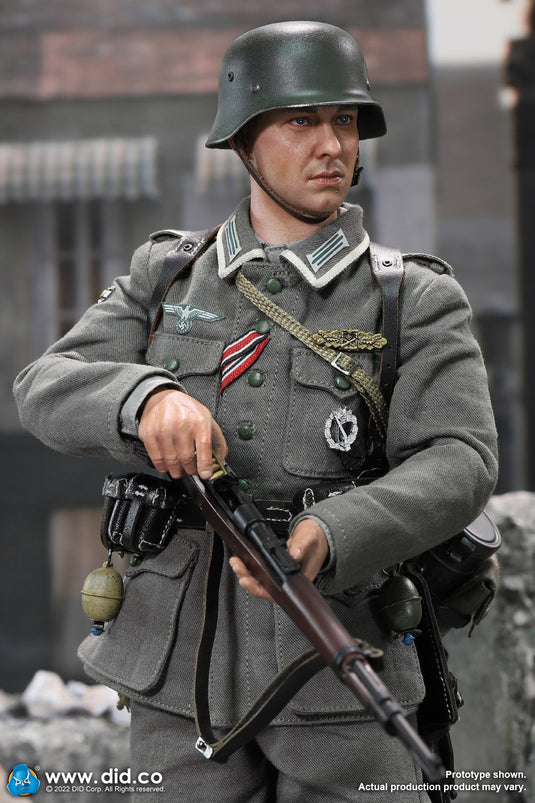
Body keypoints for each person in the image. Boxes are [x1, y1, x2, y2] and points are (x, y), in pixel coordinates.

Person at [14, 21, 498, 803]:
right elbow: (45, 384)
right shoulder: (169, 275)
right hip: (178, 673)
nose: (331, 145)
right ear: (244, 141)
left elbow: (460, 457)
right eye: (301, 121)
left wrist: (335, 531)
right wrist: (144, 398)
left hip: (337, 668)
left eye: (344, 121)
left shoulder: (410, 297)